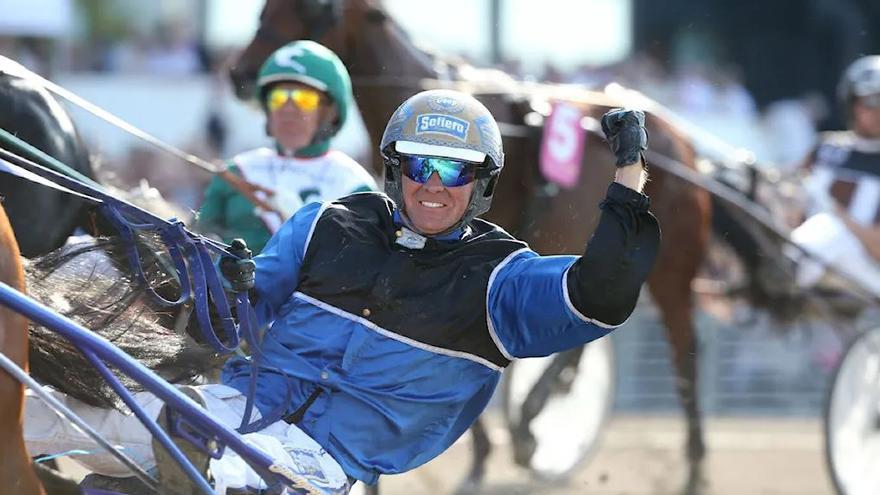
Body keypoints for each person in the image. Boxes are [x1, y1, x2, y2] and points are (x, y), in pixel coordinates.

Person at [25, 89, 659, 494]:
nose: (432, 185)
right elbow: (232, 318)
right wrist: (224, 283)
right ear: (394, 168)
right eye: (418, 164)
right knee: (34, 411)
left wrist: (627, 178)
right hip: (222, 409)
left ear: (483, 182)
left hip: (312, 466)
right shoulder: (326, 224)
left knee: (218, 470)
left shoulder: (504, 282)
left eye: (454, 171)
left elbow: (599, 293)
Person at [197, 40, 376, 253]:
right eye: (279, 98)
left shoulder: (356, 187)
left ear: (330, 112)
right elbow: (198, 247)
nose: (288, 109)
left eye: (304, 99)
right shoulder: (235, 173)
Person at [789, 55, 880, 295]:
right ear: (852, 103)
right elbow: (789, 197)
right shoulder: (826, 147)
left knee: (828, 227)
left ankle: (786, 274)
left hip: (869, 276)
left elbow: (878, 249)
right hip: (814, 259)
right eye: (871, 101)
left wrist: (835, 213)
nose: (877, 110)